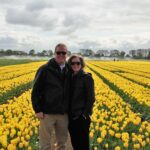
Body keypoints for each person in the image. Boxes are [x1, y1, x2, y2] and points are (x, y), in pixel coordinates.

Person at [31, 43, 71, 150]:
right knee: (45, 143)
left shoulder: (69, 69)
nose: (61, 55)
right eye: (59, 52)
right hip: (47, 113)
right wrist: (37, 109)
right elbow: (36, 90)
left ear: (67, 54)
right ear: (54, 53)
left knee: (62, 143)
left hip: (63, 113)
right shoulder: (45, 69)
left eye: (64, 53)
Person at [68, 55, 95, 150]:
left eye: (78, 63)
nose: (75, 65)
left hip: (81, 117)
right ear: (70, 65)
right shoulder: (69, 78)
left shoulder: (87, 78)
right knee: (74, 143)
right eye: (73, 63)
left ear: (81, 64)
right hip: (71, 117)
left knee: (83, 144)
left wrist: (84, 115)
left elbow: (91, 98)